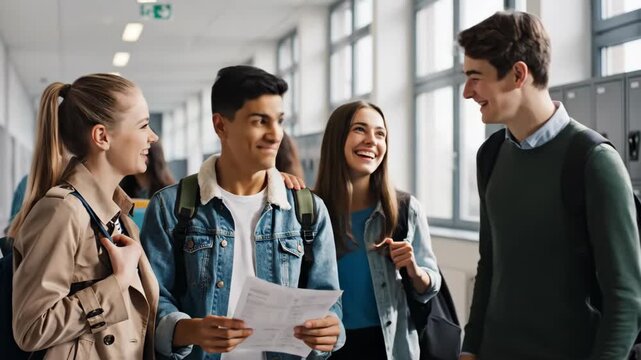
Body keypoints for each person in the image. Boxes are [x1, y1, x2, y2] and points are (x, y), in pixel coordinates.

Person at [458, 11, 641, 360]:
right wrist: (471, 347)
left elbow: (626, 300)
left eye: (475, 77)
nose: (467, 92)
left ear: (517, 74)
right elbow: (490, 261)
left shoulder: (593, 162)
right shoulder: (491, 155)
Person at [140, 65, 344, 360]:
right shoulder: (170, 208)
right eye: (260, 121)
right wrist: (189, 330)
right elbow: (151, 304)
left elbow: (329, 305)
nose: (276, 135)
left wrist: (330, 329)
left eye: (280, 121)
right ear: (221, 126)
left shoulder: (307, 211)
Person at [9, 73, 160, 358]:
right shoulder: (62, 211)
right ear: (102, 136)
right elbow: (31, 327)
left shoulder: (120, 216)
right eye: (143, 125)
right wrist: (117, 282)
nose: (153, 136)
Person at [314, 100, 440, 360]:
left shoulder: (406, 208)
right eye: (360, 129)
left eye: (380, 133)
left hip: (389, 346)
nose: (371, 140)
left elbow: (430, 284)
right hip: (327, 348)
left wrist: (414, 270)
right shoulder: (309, 212)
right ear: (337, 138)